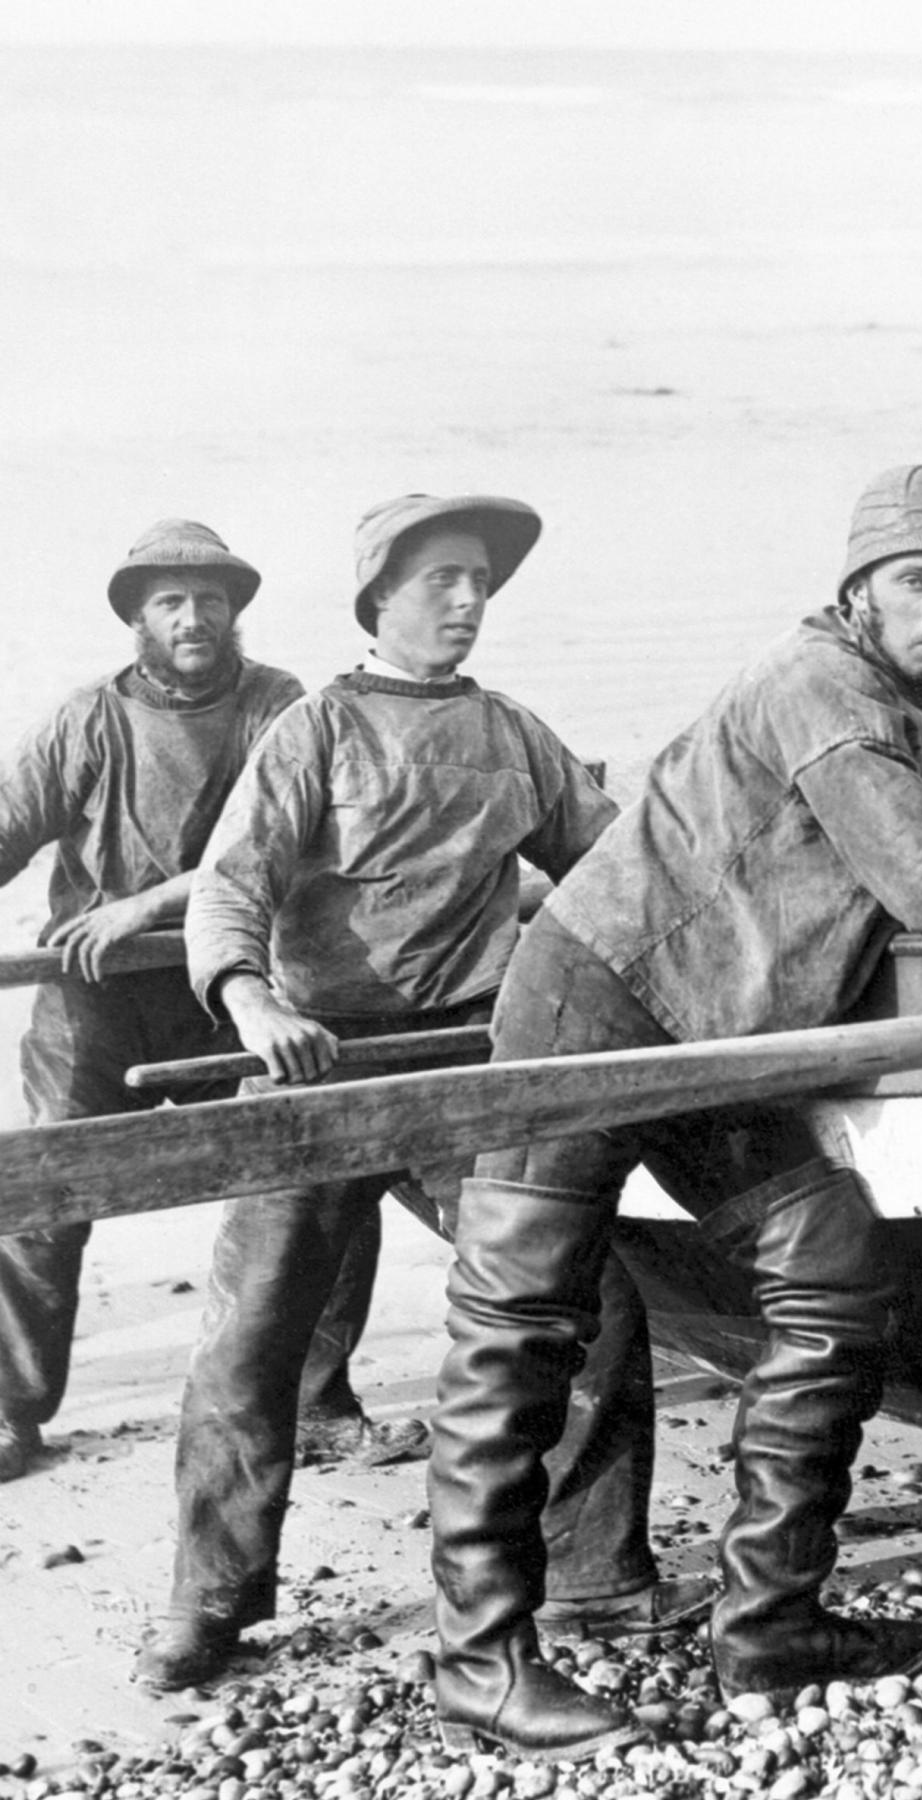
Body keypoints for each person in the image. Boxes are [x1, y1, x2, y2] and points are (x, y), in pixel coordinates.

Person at [424, 465, 922, 1761]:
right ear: (858, 591)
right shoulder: (818, 679)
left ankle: (769, 1618)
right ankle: (480, 1659)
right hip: (594, 993)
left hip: (726, 1033)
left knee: (829, 1263)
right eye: (914, 580)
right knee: (522, 1317)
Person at [134, 494, 691, 1690]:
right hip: (316, 1063)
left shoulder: (512, 733)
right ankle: (211, 1603)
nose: (466, 600)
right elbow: (231, 888)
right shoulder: (312, 728)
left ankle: (595, 1571)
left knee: (587, 1302)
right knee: (253, 1337)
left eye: (479, 580)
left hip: (469, 1067)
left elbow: (616, 875)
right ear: (377, 597)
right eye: (440, 578)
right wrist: (254, 1005)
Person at [0, 522, 307, 1487]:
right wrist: (109, 920)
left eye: (211, 600)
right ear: (137, 616)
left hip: (230, 988)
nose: (194, 618)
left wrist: (143, 906)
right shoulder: (85, 717)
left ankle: (324, 1392)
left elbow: (273, 843)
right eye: (171, 601)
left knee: (306, 1179)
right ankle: (11, 1410)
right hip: (92, 1001)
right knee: (41, 1200)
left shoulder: (279, 706)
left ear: (235, 613)